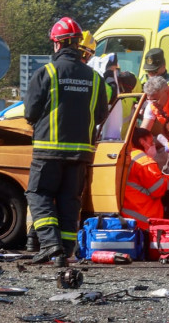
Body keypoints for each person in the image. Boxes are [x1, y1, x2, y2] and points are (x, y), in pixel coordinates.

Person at [24, 17, 108, 265]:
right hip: (81, 154)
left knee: (38, 195)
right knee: (70, 201)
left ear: (57, 45)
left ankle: (50, 245)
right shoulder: (95, 78)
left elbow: (30, 112)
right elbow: (101, 114)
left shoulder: (46, 73)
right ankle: (66, 249)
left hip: (47, 152)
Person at [121, 128, 169, 224]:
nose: (154, 145)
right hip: (144, 219)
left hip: (127, 215)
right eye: (152, 142)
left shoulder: (127, 156)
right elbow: (158, 189)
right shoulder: (144, 161)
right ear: (143, 142)